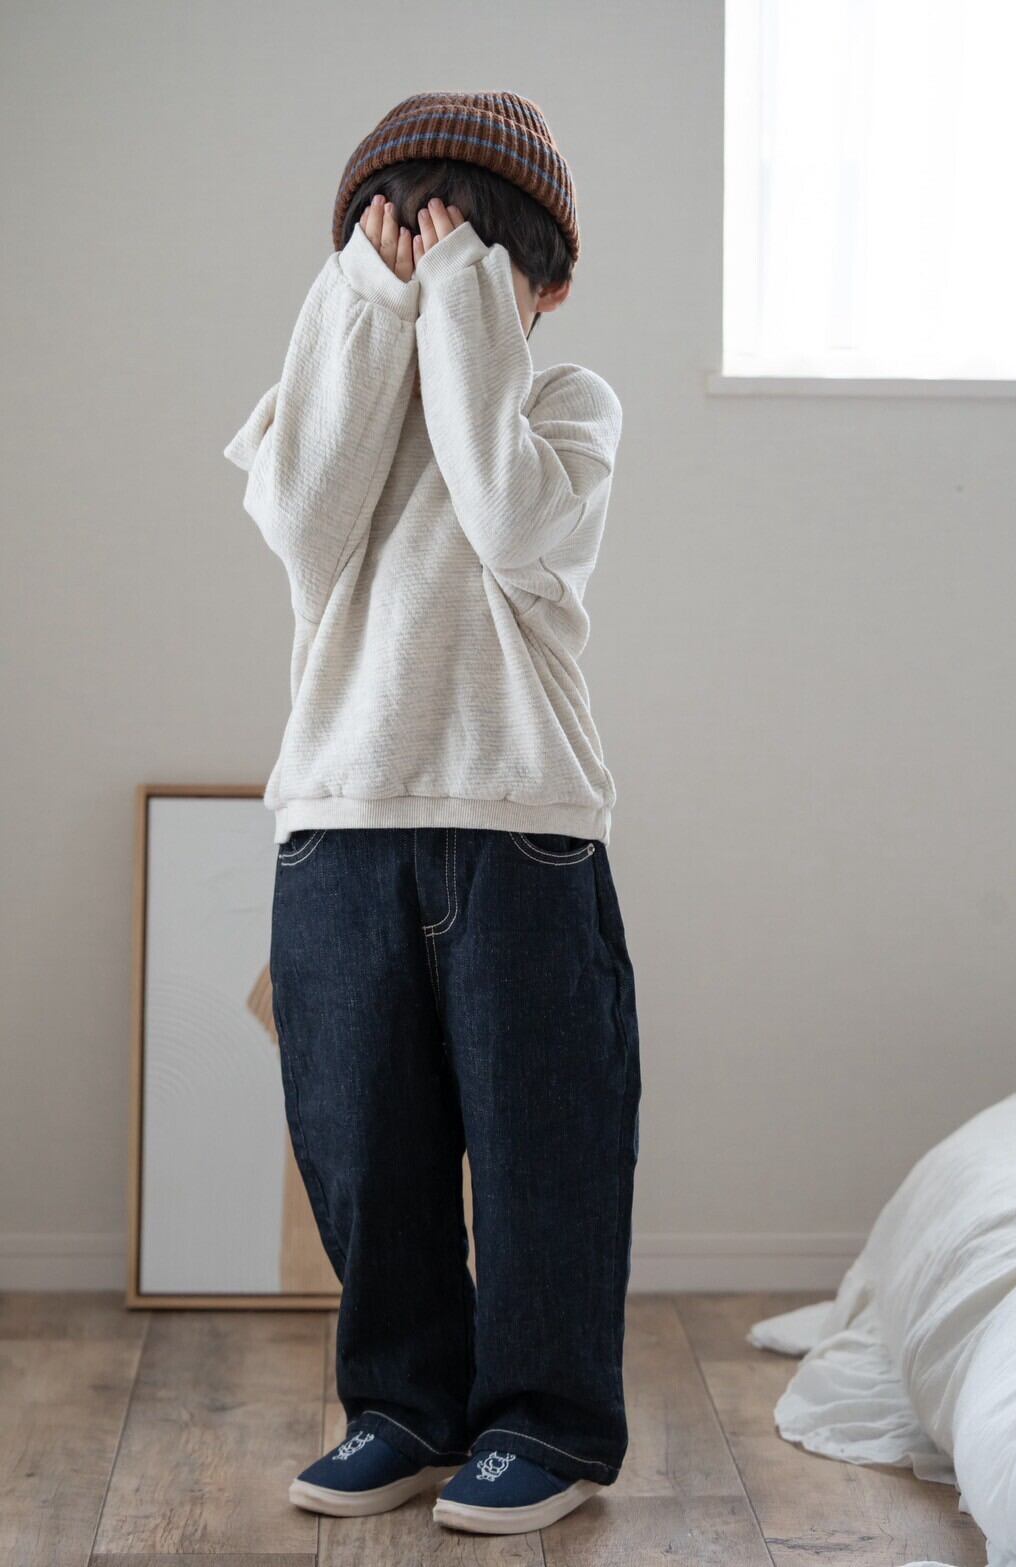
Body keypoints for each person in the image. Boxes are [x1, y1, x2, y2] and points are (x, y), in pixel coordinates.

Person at [222, 90, 641, 1538]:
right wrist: (371, 303)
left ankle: (546, 1423)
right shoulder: (321, 410)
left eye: (479, 256)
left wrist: (457, 295)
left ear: (544, 288)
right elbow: (304, 524)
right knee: (362, 1143)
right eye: (408, 244)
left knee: (542, 1146)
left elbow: (511, 517)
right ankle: (402, 1407)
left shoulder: (566, 407)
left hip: (520, 820)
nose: (439, 268)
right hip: (338, 818)